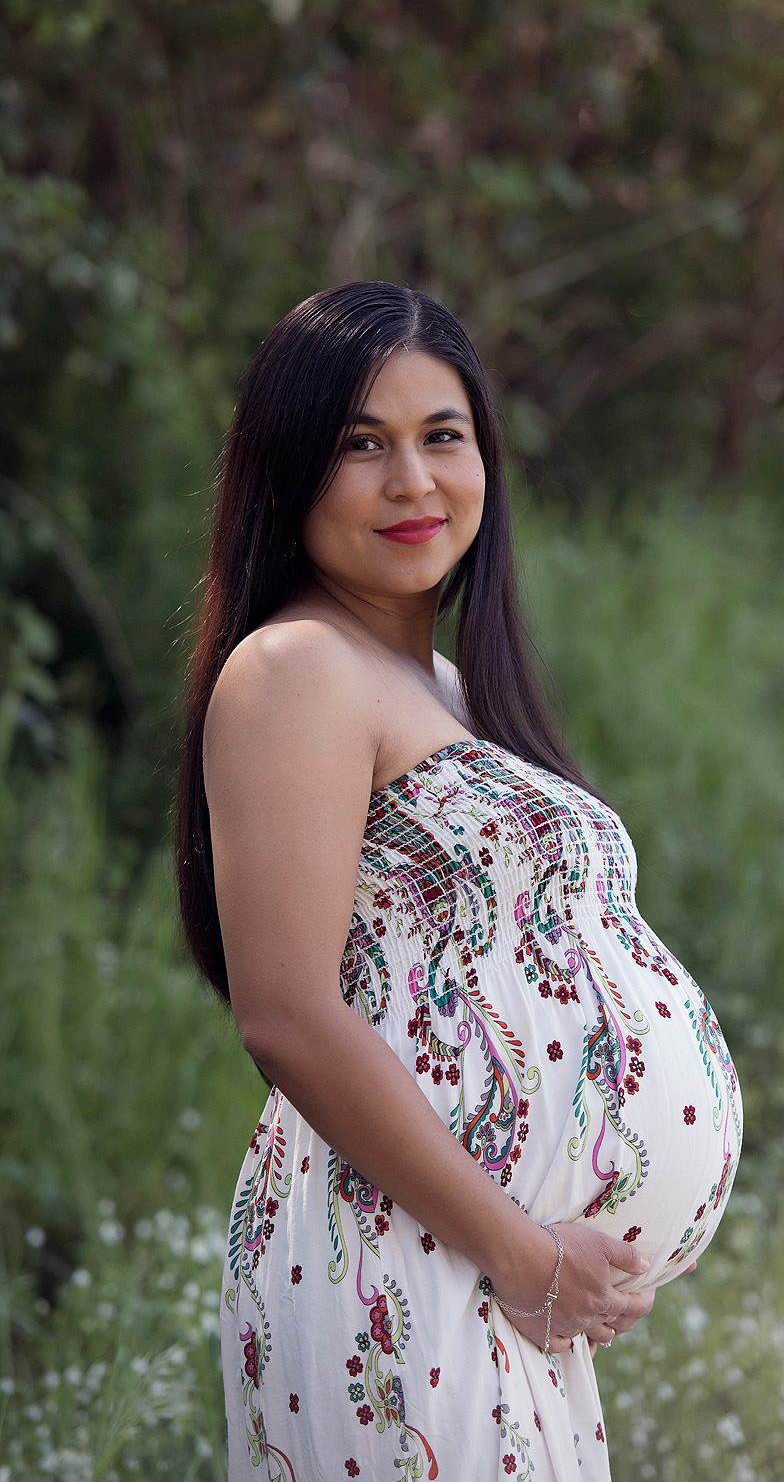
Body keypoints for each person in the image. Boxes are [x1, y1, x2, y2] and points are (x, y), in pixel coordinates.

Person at [175, 281, 743, 1482]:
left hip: (471, 1269)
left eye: (442, 436)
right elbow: (284, 1012)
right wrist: (524, 1256)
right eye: (359, 446)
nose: (413, 483)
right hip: (411, 1256)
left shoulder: (439, 685)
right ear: (286, 472)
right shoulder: (294, 668)